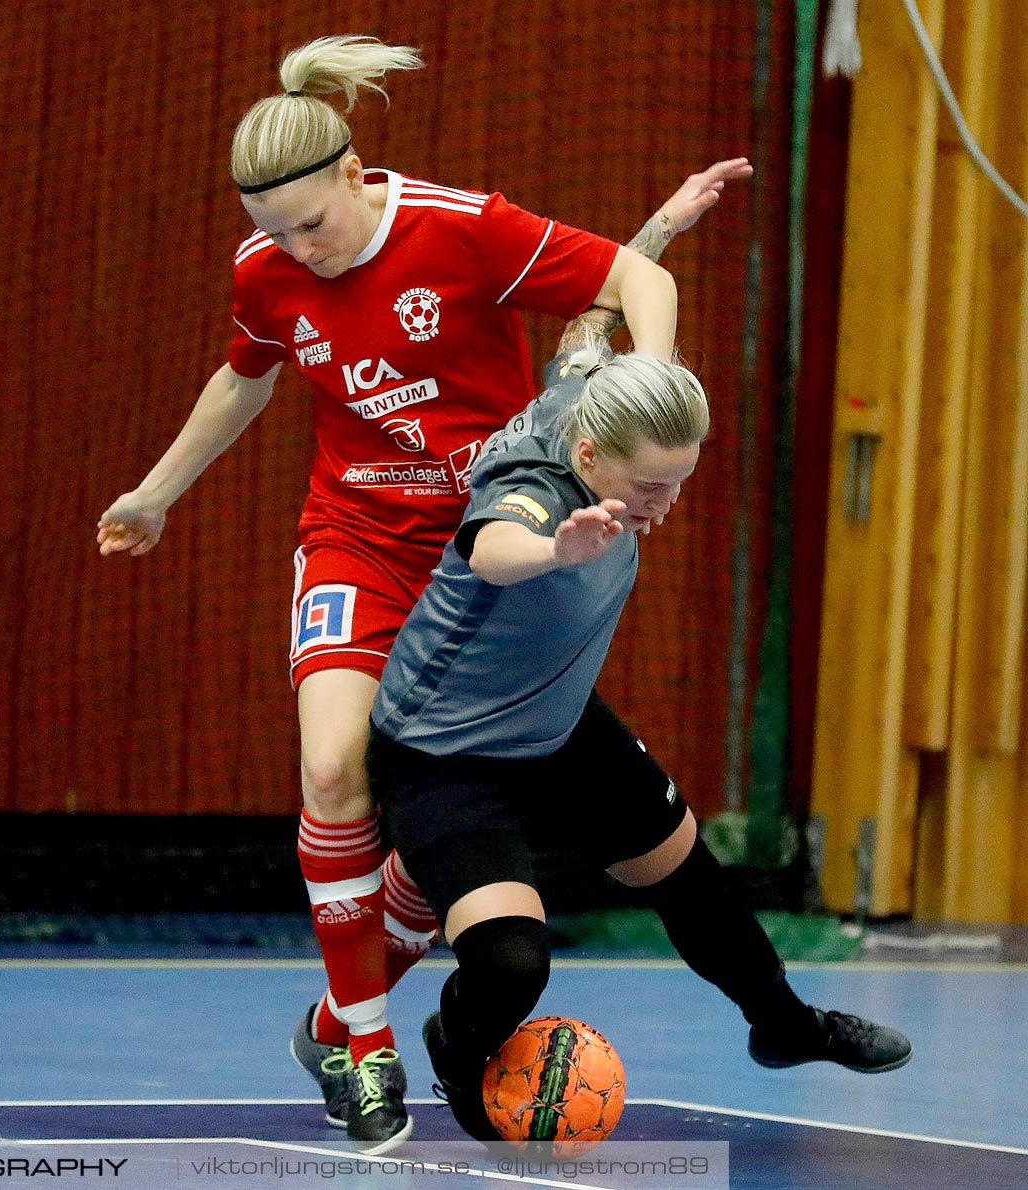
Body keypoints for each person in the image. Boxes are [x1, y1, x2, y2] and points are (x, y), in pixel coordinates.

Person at [95, 33, 729, 1150]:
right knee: (333, 767)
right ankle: (371, 1047)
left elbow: (640, 278)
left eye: (312, 222)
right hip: (355, 542)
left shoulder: (460, 227)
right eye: (272, 232)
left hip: (487, 563)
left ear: (353, 172)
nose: (299, 250)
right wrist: (154, 492)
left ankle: (340, 1008)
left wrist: (648, 382)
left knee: (444, 835)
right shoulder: (269, 271)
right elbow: (242, 381)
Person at [365, 340, 912, 1143]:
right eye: (651, 485)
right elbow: (491, 548)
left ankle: (785, 1026)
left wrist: (668, 224)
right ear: (588, 456)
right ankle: (457, 1043)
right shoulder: (535, 492)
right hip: (446, 753)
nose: (665, 503)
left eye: (681, 481)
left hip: (557, 723)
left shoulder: (587, 393)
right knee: (513, 965)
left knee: (693, 880)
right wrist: (558, 549)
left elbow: (611, 301)